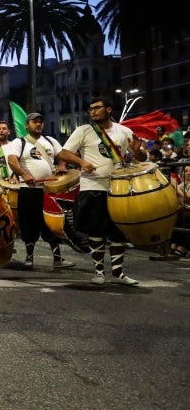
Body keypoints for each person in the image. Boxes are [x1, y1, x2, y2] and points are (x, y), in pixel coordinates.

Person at [57, 98, 147, 286]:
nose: (93, 112)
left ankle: (118, 273)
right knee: (96, 232)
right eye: (91, 109)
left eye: (97, 108)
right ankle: (99, 272)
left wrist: (137, 151)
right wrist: (82, 162)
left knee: (118, 232)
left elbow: (140, 157)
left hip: (119, 188)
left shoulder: (123, 131)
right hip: (93, 187)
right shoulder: (84, 131)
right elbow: (63, 153)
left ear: (108, 109)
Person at [5, 112, 75, 269]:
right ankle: (29, 258)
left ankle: (58, 259)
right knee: (28, 224)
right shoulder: (19, 142)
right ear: (27, 125)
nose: (38, 124)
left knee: (51, 224)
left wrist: (63, 164)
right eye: (34, 122)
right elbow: (12, 160)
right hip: (28, 190)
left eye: (40, 122)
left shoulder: (50, 140)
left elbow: (63, 154)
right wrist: (24, 174)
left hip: (48, 191)